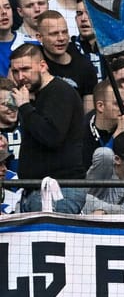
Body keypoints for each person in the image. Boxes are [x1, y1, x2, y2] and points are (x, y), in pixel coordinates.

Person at [9, 44, 92, 208]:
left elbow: (51, 136)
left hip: (58, 191)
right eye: (15, 71)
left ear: (43, 66)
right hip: (36, 190)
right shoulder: (36, 96)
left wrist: (25, 107)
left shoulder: (60, 92)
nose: (20, 76)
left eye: (25, 69)